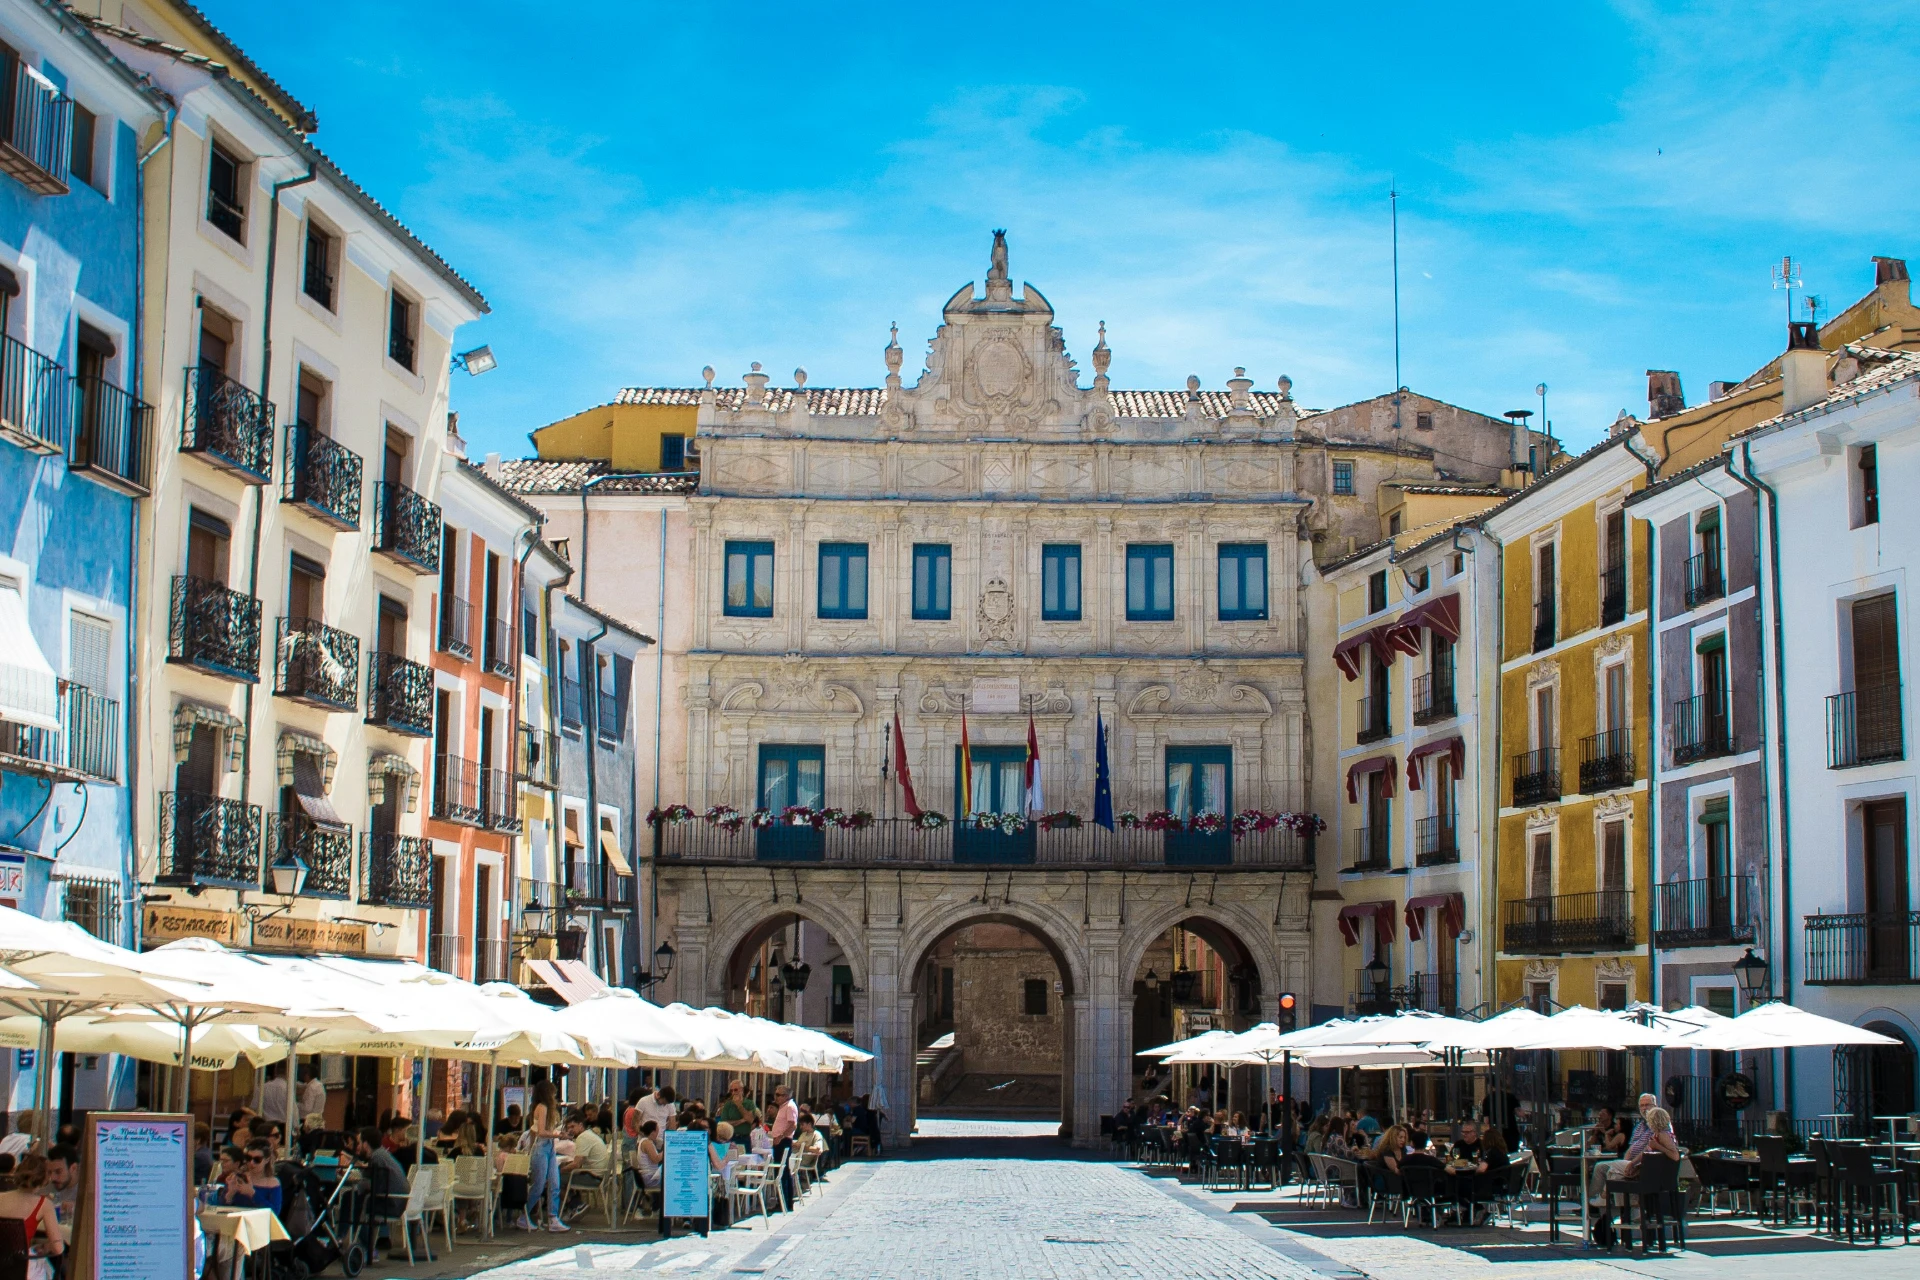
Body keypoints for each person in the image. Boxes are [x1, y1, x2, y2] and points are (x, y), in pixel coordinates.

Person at [0, 1154, 64, 1272]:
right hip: (22, 1269)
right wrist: (44, 1247)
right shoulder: (44, 1204)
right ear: (44, 1180)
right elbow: (58, 1248)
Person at [522, 1080, 567, 1233]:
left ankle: (553, 1216)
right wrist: (558, 1134)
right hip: (542, 1147)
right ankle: (525, 1214)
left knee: (555, 1182)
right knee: (539, 1184)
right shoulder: (542, 1108)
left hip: (549, 1147)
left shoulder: (546, 1109)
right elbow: (541, 1131)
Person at [768, 1084, 798, 1207]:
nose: (776, 1097)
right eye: (776, 1094)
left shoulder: (789, 1107)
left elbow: (793, 1125)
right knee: (781, 1170)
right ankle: (783, 1201)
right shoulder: (784, 1107)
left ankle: (785, 1202)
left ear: (786, 1096)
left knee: (782, 1170)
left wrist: (780, 1137)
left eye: (778, 1095)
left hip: (783, 1141)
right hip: (780, 1141)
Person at [41, 1145, 76, 1226]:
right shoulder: (50, 1186)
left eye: (58, 1172)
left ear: (73, 1168)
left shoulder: (88, 1189)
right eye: (50, 1172)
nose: (52, 1178)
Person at [632, 1121, 663, 1193]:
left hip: (648, 1175)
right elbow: (655, 1159)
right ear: (653, 1132)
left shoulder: (644, 1141)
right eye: (657, 1132)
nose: (657, 1134)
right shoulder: (647, 1143)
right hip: (650, 1178)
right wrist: (665, 1151)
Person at [259, 1062, 291, 1129]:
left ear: (275, 1071)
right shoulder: (287, 1088)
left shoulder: (263, 1087)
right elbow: (293, 1110)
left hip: (266, 1124)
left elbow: (255, 1106)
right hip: (282, 1125)